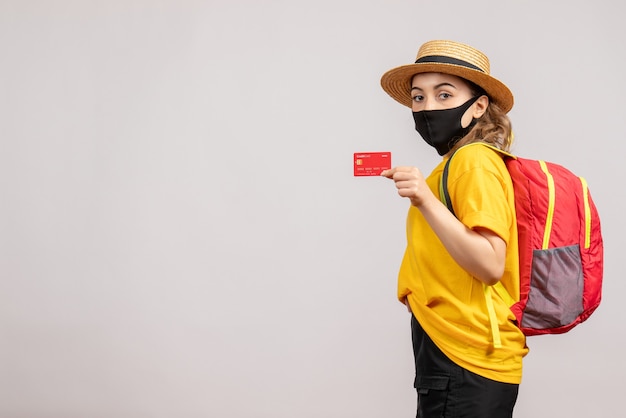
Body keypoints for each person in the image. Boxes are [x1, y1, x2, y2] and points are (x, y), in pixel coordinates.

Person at [379, 40, 529, 418]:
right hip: (453, 347)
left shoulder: (473, 161)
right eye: (418, 97)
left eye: (444, 95)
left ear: (478, 106)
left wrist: (425, 200)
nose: (427, 107)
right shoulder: (453, 165)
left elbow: (491, 264)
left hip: (465, 353)